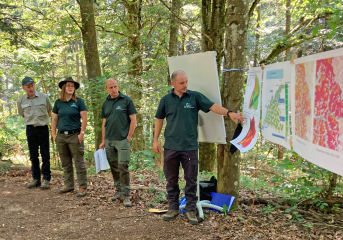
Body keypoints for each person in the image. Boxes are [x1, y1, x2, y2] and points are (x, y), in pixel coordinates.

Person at [153, 70, 245, 225]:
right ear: (173, 84)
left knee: (191, 180)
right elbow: (159, 120)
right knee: (171, 179)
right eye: (181, 83)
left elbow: (212, 106)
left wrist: (229, 113)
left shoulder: (194, 97)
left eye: (186, 82)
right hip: (171, 146)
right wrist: (155, 140)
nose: (185, 85)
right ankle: (173, 208)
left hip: (189, 147)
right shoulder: (166, 100)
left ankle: (190, 209)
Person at [99, 78, 137, 207]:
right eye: (111, 87)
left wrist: (129, 136)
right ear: (106, 89)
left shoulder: (126, 100)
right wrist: (103, 140)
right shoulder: (106, 103)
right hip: (109, 140)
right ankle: (118, 190)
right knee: (114, 167)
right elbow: (104, 122)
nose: (114, 89)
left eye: (115, 86)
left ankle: (126, 194)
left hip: (122, 140)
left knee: (123, 166)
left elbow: (133, 119)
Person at [51, 77, 88, 197]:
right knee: (65, 163)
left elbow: (84, 118)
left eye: (72, 86)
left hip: (74, 136)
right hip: (61, 136)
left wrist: (81, 133)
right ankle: (68, 185)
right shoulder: (58, 102)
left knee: (79, 162)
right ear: (64, 87)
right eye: (68, 85)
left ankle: (82, 187)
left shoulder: (78, 101)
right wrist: (53, 134)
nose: (70, 87)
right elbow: (54, 118)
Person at [17, 77, 52, 189]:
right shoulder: (21, 100)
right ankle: (36, 179)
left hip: (42, 128)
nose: (31, 88)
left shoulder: (44, 97)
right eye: (28, 86)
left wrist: (40, 121)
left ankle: (46, 179)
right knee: (33, 155)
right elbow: (23, 115)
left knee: (45, 154)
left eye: (32, 85)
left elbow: (49, 111)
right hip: (30, 129)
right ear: (24, 88)